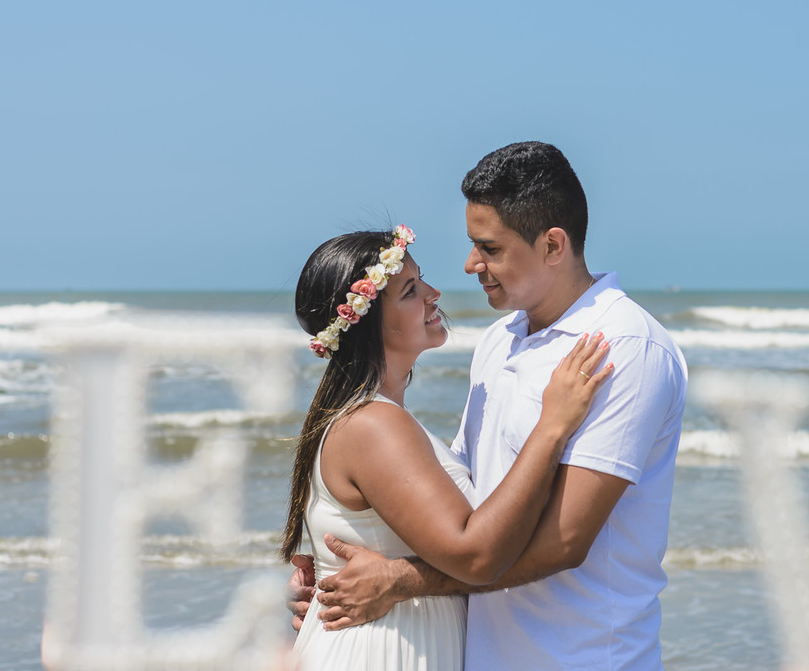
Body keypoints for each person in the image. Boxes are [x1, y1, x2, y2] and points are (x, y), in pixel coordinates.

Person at [289, 142, 689, 670]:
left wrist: (403, 580)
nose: (470, 264)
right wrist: (324, 551)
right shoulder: (500, 340)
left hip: (580, 656)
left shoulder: (622, 347)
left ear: (552, 245)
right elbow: (461, 494)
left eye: (490, 248)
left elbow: (564, 540)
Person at [284, 223, 614, 670]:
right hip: (382, 652)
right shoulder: (374, 425)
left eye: (421, 280)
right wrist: (552, 427)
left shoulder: (375, 418)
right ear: (366, 324)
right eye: (410, 290)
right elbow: (475, 556)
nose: (434, 293)